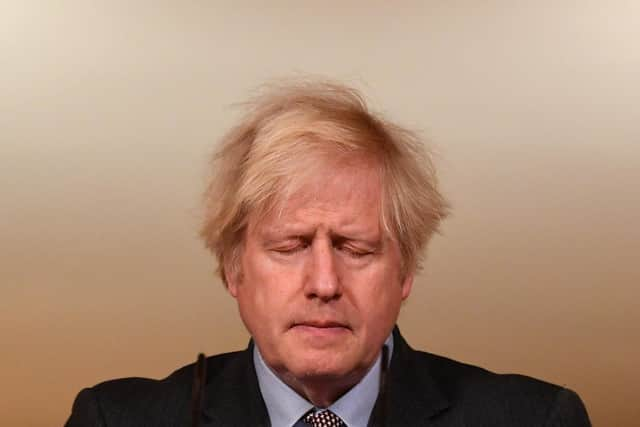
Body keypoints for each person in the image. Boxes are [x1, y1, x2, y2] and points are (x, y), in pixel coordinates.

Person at [66, 81, 591, 427]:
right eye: (289, 246)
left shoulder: (536, 418)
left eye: (356, 248)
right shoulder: (116, 419)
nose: (324, 282)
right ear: (233, 268)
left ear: (405, 269)